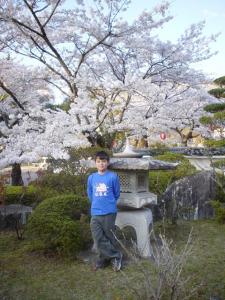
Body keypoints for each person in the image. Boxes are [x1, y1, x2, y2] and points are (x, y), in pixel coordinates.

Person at [87, 151, 123, 271]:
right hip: (95, 212)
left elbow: (117, 193)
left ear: (107, 163)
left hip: (109, 211)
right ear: (95, 163)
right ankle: (116, 255)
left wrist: (109, 203)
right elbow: (90, 194)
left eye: (103, 161)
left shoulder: (113, 176)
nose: (101, 164)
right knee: (97, 237)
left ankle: (107, 259)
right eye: (98, 161)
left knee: (109, 236)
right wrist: (97, 204)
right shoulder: (91, 178)